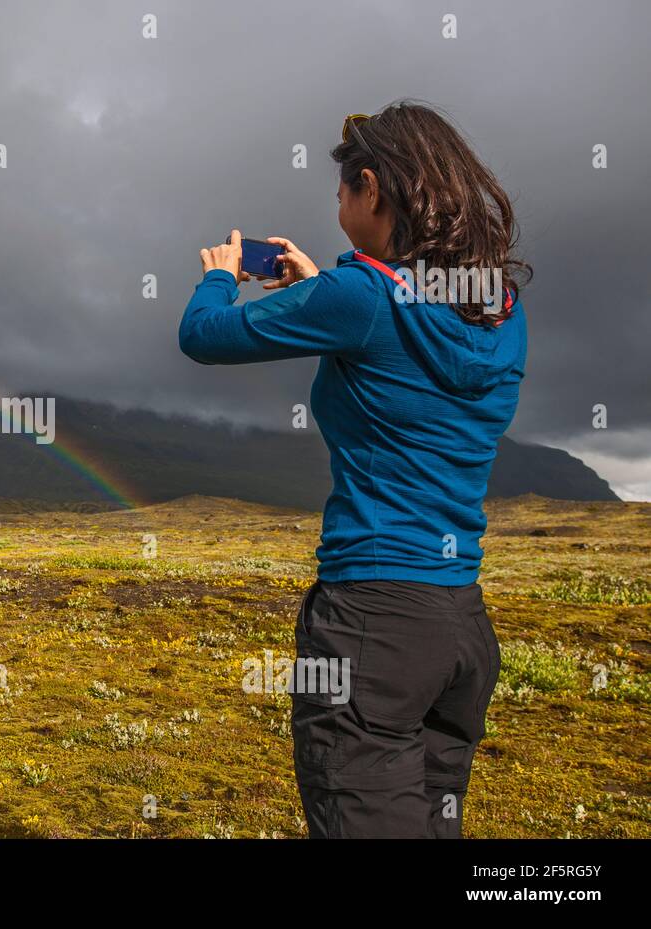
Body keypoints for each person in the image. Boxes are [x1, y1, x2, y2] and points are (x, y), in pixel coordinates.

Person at [178, 101, 530, 838]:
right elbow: (400, 310)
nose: (339, 203)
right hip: (461, 626)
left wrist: (218, 275)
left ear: (370, 187)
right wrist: (323, 284)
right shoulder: (498, 305)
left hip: (371, 621)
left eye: (342, 191)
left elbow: (203, 336)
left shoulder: (359, 298)